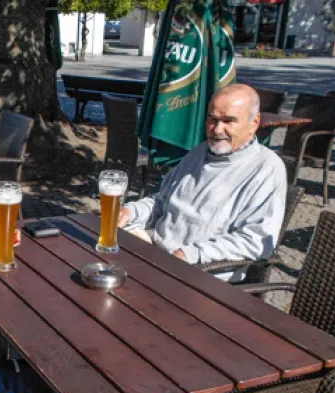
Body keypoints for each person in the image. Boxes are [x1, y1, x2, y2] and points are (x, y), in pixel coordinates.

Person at [118, 84, 287, 282]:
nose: (217, 129)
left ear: (254, 123)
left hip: (203, 276)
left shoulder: (266, 168)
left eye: (228, 121)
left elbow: (256, 241)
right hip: (159, 259)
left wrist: (190, 254)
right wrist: (131, 211)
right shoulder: (199, 152)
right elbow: (163, 201)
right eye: (212, 119)